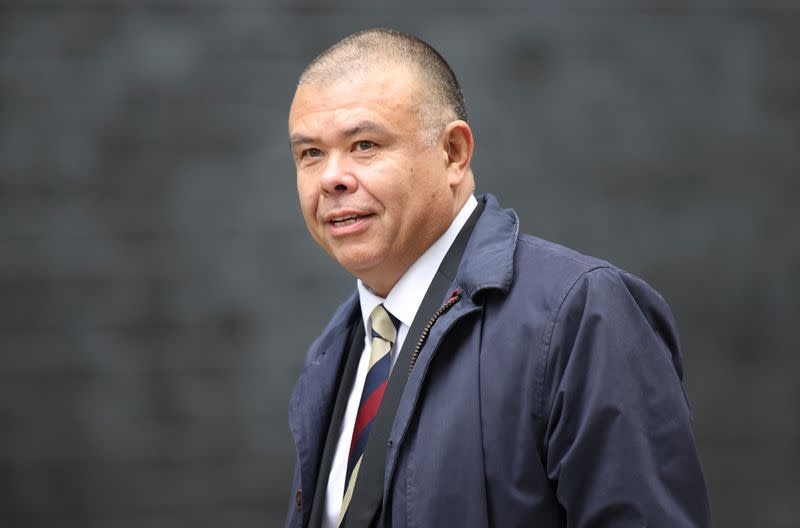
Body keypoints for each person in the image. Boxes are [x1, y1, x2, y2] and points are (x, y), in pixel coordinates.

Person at [284, 28, 710, 528]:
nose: (332, 177)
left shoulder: (579, 315)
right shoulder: (336, 350)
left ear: (454, 154)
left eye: (364, 144)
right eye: (311, 153)